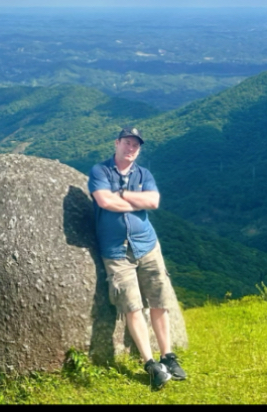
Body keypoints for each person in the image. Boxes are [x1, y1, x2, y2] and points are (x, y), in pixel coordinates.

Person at [88, 126, 187, 391]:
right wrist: (134, 201)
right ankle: (151, 363)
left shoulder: (144, 174)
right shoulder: (100, 171)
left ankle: (169, 357)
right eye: (127, 143)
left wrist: (121, 195)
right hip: (116, 251)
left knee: (159, 301)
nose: (131, 148)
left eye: (136, 145)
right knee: (131, 306)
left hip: (147, 245)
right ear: (117, 143)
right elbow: (104, 201)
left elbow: (153, 201)